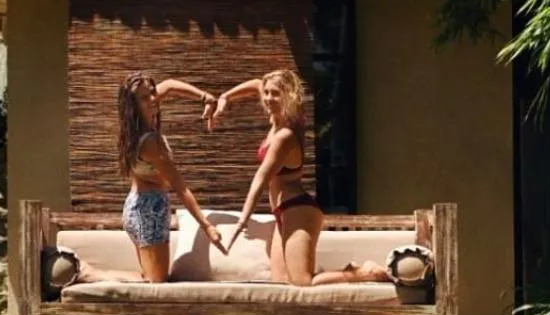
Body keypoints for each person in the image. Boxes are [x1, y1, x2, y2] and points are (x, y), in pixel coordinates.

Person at [210, 69, 387, 286]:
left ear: (288, 96)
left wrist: (242, 221)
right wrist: (225, 97)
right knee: (281, 280)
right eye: (265, 93)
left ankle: (361, 273)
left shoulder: (285, 135)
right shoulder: (275, 116)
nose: (267, 98)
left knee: (303, 281)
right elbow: (256, 83)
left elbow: (261, 178)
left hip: (298, 210)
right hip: (282, 212)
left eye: (274, 94)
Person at [118, 72, 226, 282]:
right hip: (149, 211)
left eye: (152, 94)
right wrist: (206, 226)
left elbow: (169, 85)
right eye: (144, 97)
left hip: (138, 207)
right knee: (155, 283)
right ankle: (88, 274)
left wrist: (205, 97)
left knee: (149, 279)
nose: (153, 100)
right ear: (133, 105)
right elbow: (180, 187)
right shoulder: (150, 142)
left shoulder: (133, 131)